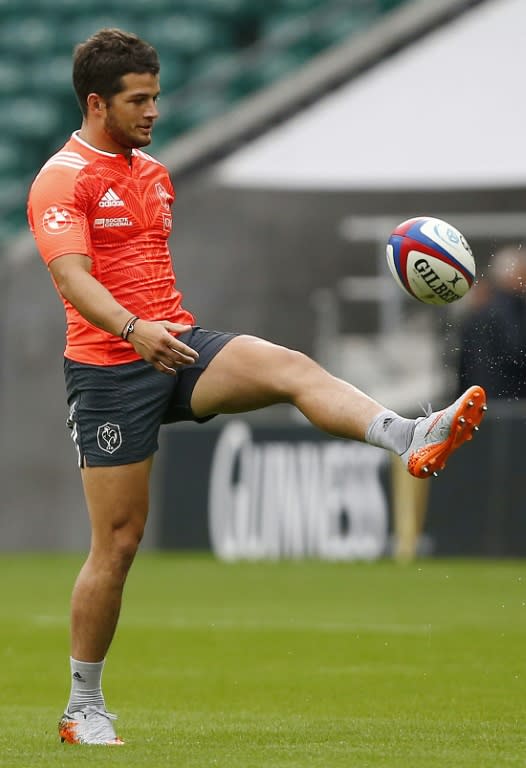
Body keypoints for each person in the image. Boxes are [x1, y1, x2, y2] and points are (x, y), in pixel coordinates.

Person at [27, 28, 487, 746]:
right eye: (138, 100)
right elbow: (71, 276)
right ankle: (83, 705)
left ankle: (408, 436)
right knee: (117, 544)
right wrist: (130, 330)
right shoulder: (63, 178)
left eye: (156, 96)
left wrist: (158, 332)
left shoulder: (151, 172)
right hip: (111, 367)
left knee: (290, 367)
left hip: (176, 343)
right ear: (97, 102)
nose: (153, 111)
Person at [457, 245, 526, 400]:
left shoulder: (479, 310)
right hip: (510, 402)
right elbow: (516, 352)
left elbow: (463, 364)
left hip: (479, 399)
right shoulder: (511, 309)